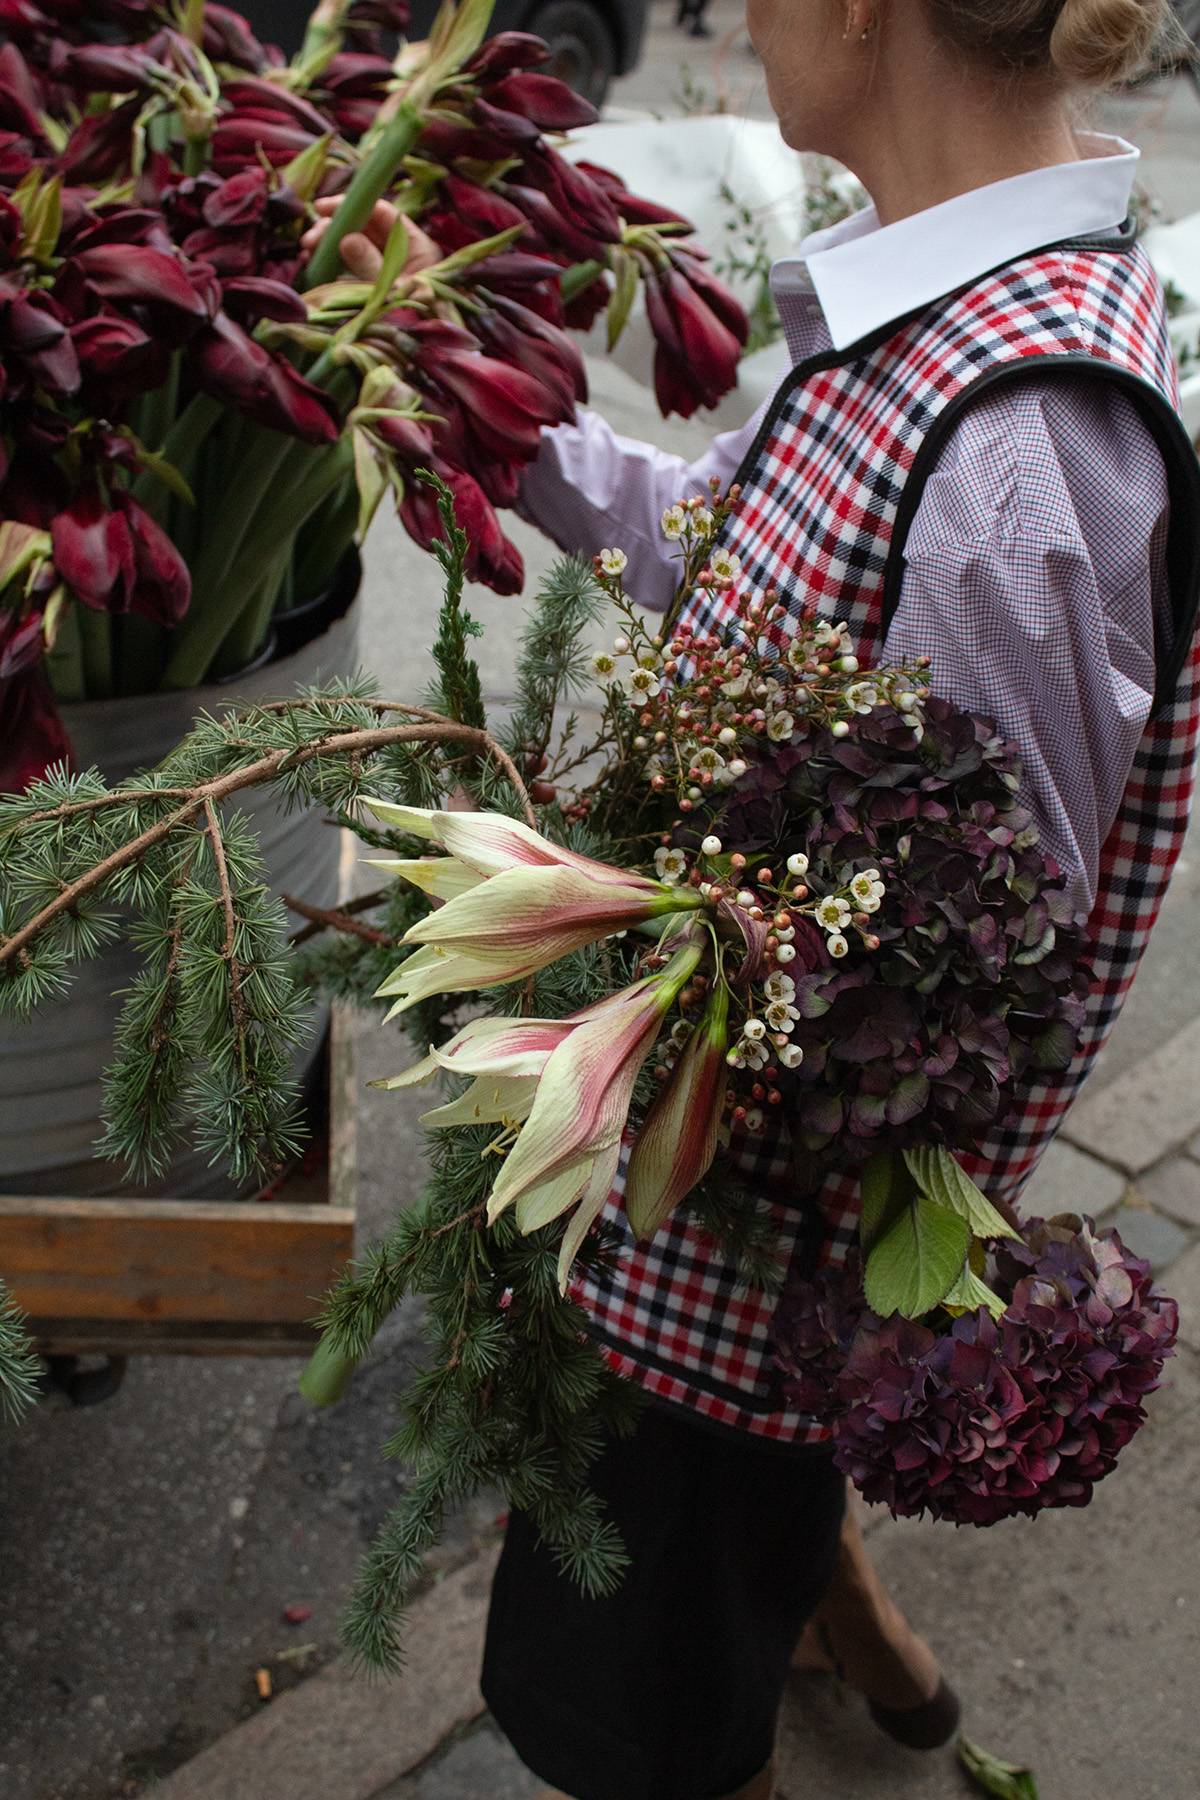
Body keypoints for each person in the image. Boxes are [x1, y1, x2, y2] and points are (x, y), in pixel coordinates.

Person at [313, 3, 1200, 1796]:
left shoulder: (1017, 450)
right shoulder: (939, 306)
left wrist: (611, 934)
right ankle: (839, 1627)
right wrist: (488, 419)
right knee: (725, 1578)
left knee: (639, 1715)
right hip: (715, 1231)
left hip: (730, 1290)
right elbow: (735, 546)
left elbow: (953, 989)